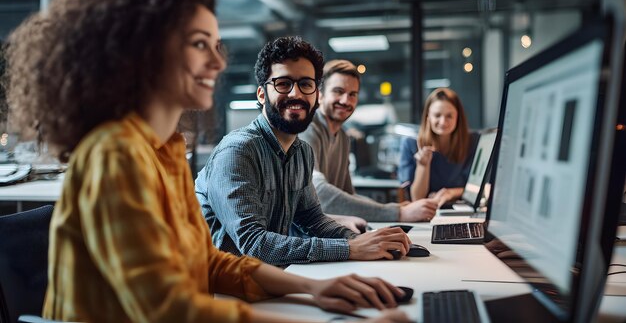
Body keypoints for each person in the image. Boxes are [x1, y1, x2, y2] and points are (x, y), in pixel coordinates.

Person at [3, 0, 411, 322]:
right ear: (144, 55)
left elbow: (208, 261)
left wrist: (315, 289)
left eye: (215, 45)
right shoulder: (114, 154)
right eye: (200, 44)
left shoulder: (167, 151)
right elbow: (168, 308)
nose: (217, 62)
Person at [195, 36, 411, 267]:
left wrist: (364, 241)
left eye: (305, 84)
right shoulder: (237, 151)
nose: (296, 94)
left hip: (270, 281)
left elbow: (313, 219)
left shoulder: (302, 153)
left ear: (316, 95)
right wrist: (349, 248)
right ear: (261, 94)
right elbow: (253, 244)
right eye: (283, 83)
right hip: (221, 293)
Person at [299, 59, 437, 222]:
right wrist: (397, 214)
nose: (346, 100)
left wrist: (397, 208)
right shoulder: (307, 129)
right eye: (338, 91)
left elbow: (349, 196)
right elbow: (318, 194)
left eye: (352, 94)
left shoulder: (343, 138)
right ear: (319, 95)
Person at [398, 88, 479, 205]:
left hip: (461, 209)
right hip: (426, 212)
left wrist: (450, 193)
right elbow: (417, 198)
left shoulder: (473, 141)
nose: (443, 122)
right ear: (428, 117)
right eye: (437, 115)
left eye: (449, 116)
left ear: (458, 117)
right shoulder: (410, 143)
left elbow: (481, 188)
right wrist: (423, 165)